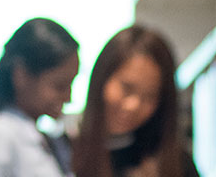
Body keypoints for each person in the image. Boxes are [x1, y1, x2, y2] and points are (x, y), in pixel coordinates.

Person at [70, 26, 199, 177]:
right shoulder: (63, 149)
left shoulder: (173, 162)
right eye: (127, 88)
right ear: (102, 78)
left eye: (149, 96)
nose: (134, 106)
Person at [0, 18, 81, 177]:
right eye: (59, 86)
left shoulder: (51, 141)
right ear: (21, 75)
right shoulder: (0, 134)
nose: (68, 98)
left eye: (71, 84)